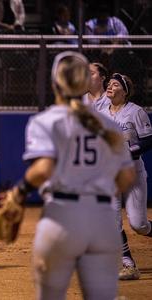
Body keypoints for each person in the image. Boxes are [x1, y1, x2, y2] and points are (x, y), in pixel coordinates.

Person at [11, 51, 136, 299]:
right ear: (83, 83)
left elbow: (43, 169)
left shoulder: (47, 121)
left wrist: (18, 192)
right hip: (101, 222)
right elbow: (125, 178)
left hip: (61, 217)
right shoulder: (109, 124)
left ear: (54, 82)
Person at [98, 73, 152, 280]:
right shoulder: (100, 112)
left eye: (115, 84)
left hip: (133, 172)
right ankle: (128, 264)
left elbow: (148, 140)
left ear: (125, 90)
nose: (110, 87)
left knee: (139, 225)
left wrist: (130, 151)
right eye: (108, 84)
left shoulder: (135, 112)